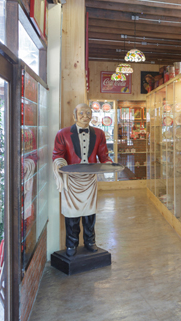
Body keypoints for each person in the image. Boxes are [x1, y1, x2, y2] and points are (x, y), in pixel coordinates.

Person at [52, 103, 113, 257]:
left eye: (88, 112)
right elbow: (57, 154)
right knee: (71, 214)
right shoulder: (63, 133)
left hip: (90, 179)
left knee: (90, 213)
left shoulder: (99, 133)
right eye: (81, 113)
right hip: (71, 179)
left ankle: (90, 241)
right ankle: (71, 244)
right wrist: (60, 163)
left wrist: (108, 164)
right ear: (74, 116)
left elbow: (103, 155)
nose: (85, 116)